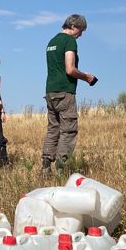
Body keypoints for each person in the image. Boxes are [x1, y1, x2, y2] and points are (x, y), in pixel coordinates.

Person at [41, 14, 97, 174]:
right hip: (65, 91)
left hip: (50, 90)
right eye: (81, 30)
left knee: (53, 129)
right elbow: (70, 69)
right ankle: (61, 168)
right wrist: (87, 77)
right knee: (68, 130)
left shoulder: (52, 42)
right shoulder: (69, 41)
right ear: (73, 26)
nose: (81, 34)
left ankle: (46, 166)